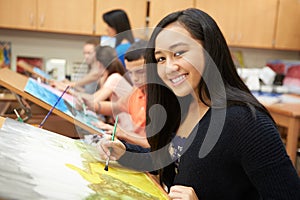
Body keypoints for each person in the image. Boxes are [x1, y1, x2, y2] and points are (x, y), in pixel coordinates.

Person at [97, 8, 300, 200]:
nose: (169, 68)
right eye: (160, 58)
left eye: (179, 53)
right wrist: (126, 153)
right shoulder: (181, 108)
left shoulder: (246, 122)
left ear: (209, 51)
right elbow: (174, 158)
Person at [91, 40, 149, 148]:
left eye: (140, 72)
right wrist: (93, 106)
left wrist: (122, 133)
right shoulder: (136, 90)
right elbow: (117, 106)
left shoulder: (162, 99)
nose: (135, 78)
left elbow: (156, 145)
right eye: (130, 72)